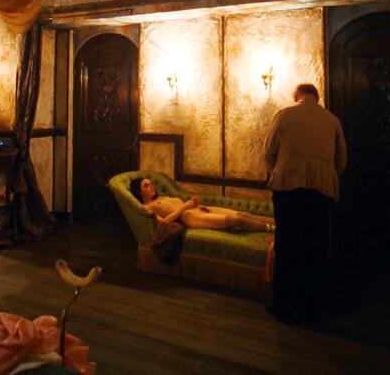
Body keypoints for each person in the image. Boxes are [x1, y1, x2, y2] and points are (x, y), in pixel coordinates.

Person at [262, 82, 347, 324]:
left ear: (296, 96)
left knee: (287, 245)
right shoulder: (332, 120)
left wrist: (281, 171)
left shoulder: (284, 115)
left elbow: (268, 152)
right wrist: (325, 176)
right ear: (317, 98)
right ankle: (312, 306)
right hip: (321, 192)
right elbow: (341, 160)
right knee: (315, 248)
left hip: (288, 190)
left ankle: (283, 304)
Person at [128, 177, 274, 232]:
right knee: (238, 221)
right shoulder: (147, 208)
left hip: (198, 208)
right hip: (191, 217)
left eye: (151, 184)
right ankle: (275, 230)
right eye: (146, 186)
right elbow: (163, 223)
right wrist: (185, 206)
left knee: (244, 214)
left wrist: (192, 203)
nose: (151, 187)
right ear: (139, 192)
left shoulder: (162, 197)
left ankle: (281, 223)